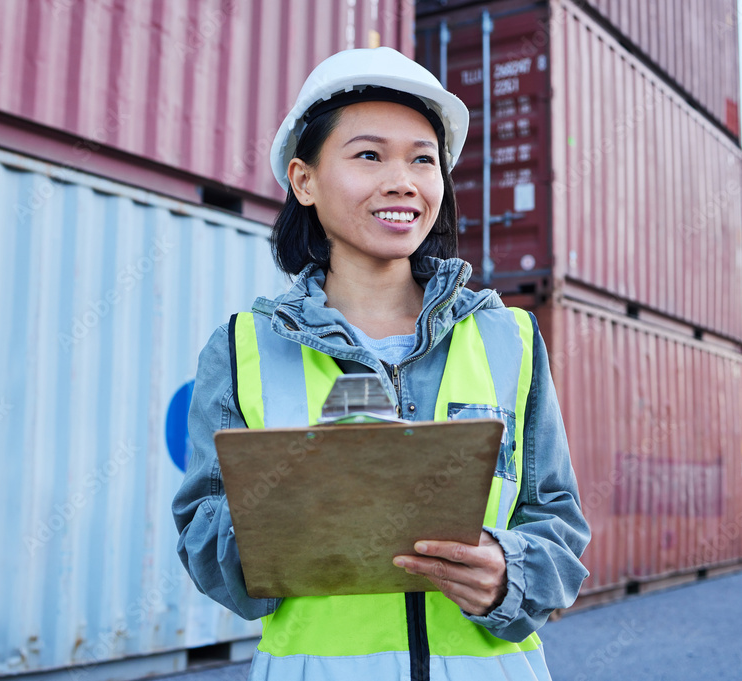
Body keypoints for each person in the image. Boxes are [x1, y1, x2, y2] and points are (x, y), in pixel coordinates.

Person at [173, 46, 590, 681]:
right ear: (304, 180)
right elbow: (205, 543)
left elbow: (557, 521)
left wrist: (510, 573)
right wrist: (298, 516)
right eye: (369, 155)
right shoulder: (241, 348)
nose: (403, 181)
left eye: (424, 160)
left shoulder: (511, 338)